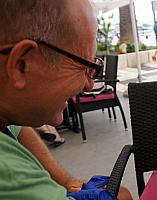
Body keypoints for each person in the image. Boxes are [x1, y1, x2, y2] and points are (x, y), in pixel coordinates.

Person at [0, 0, 131, 199]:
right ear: (21, 65)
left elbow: (20, 130)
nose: (89, 85)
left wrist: (66, 181)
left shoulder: (7, 111)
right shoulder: (8, 174)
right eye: (84, 66)